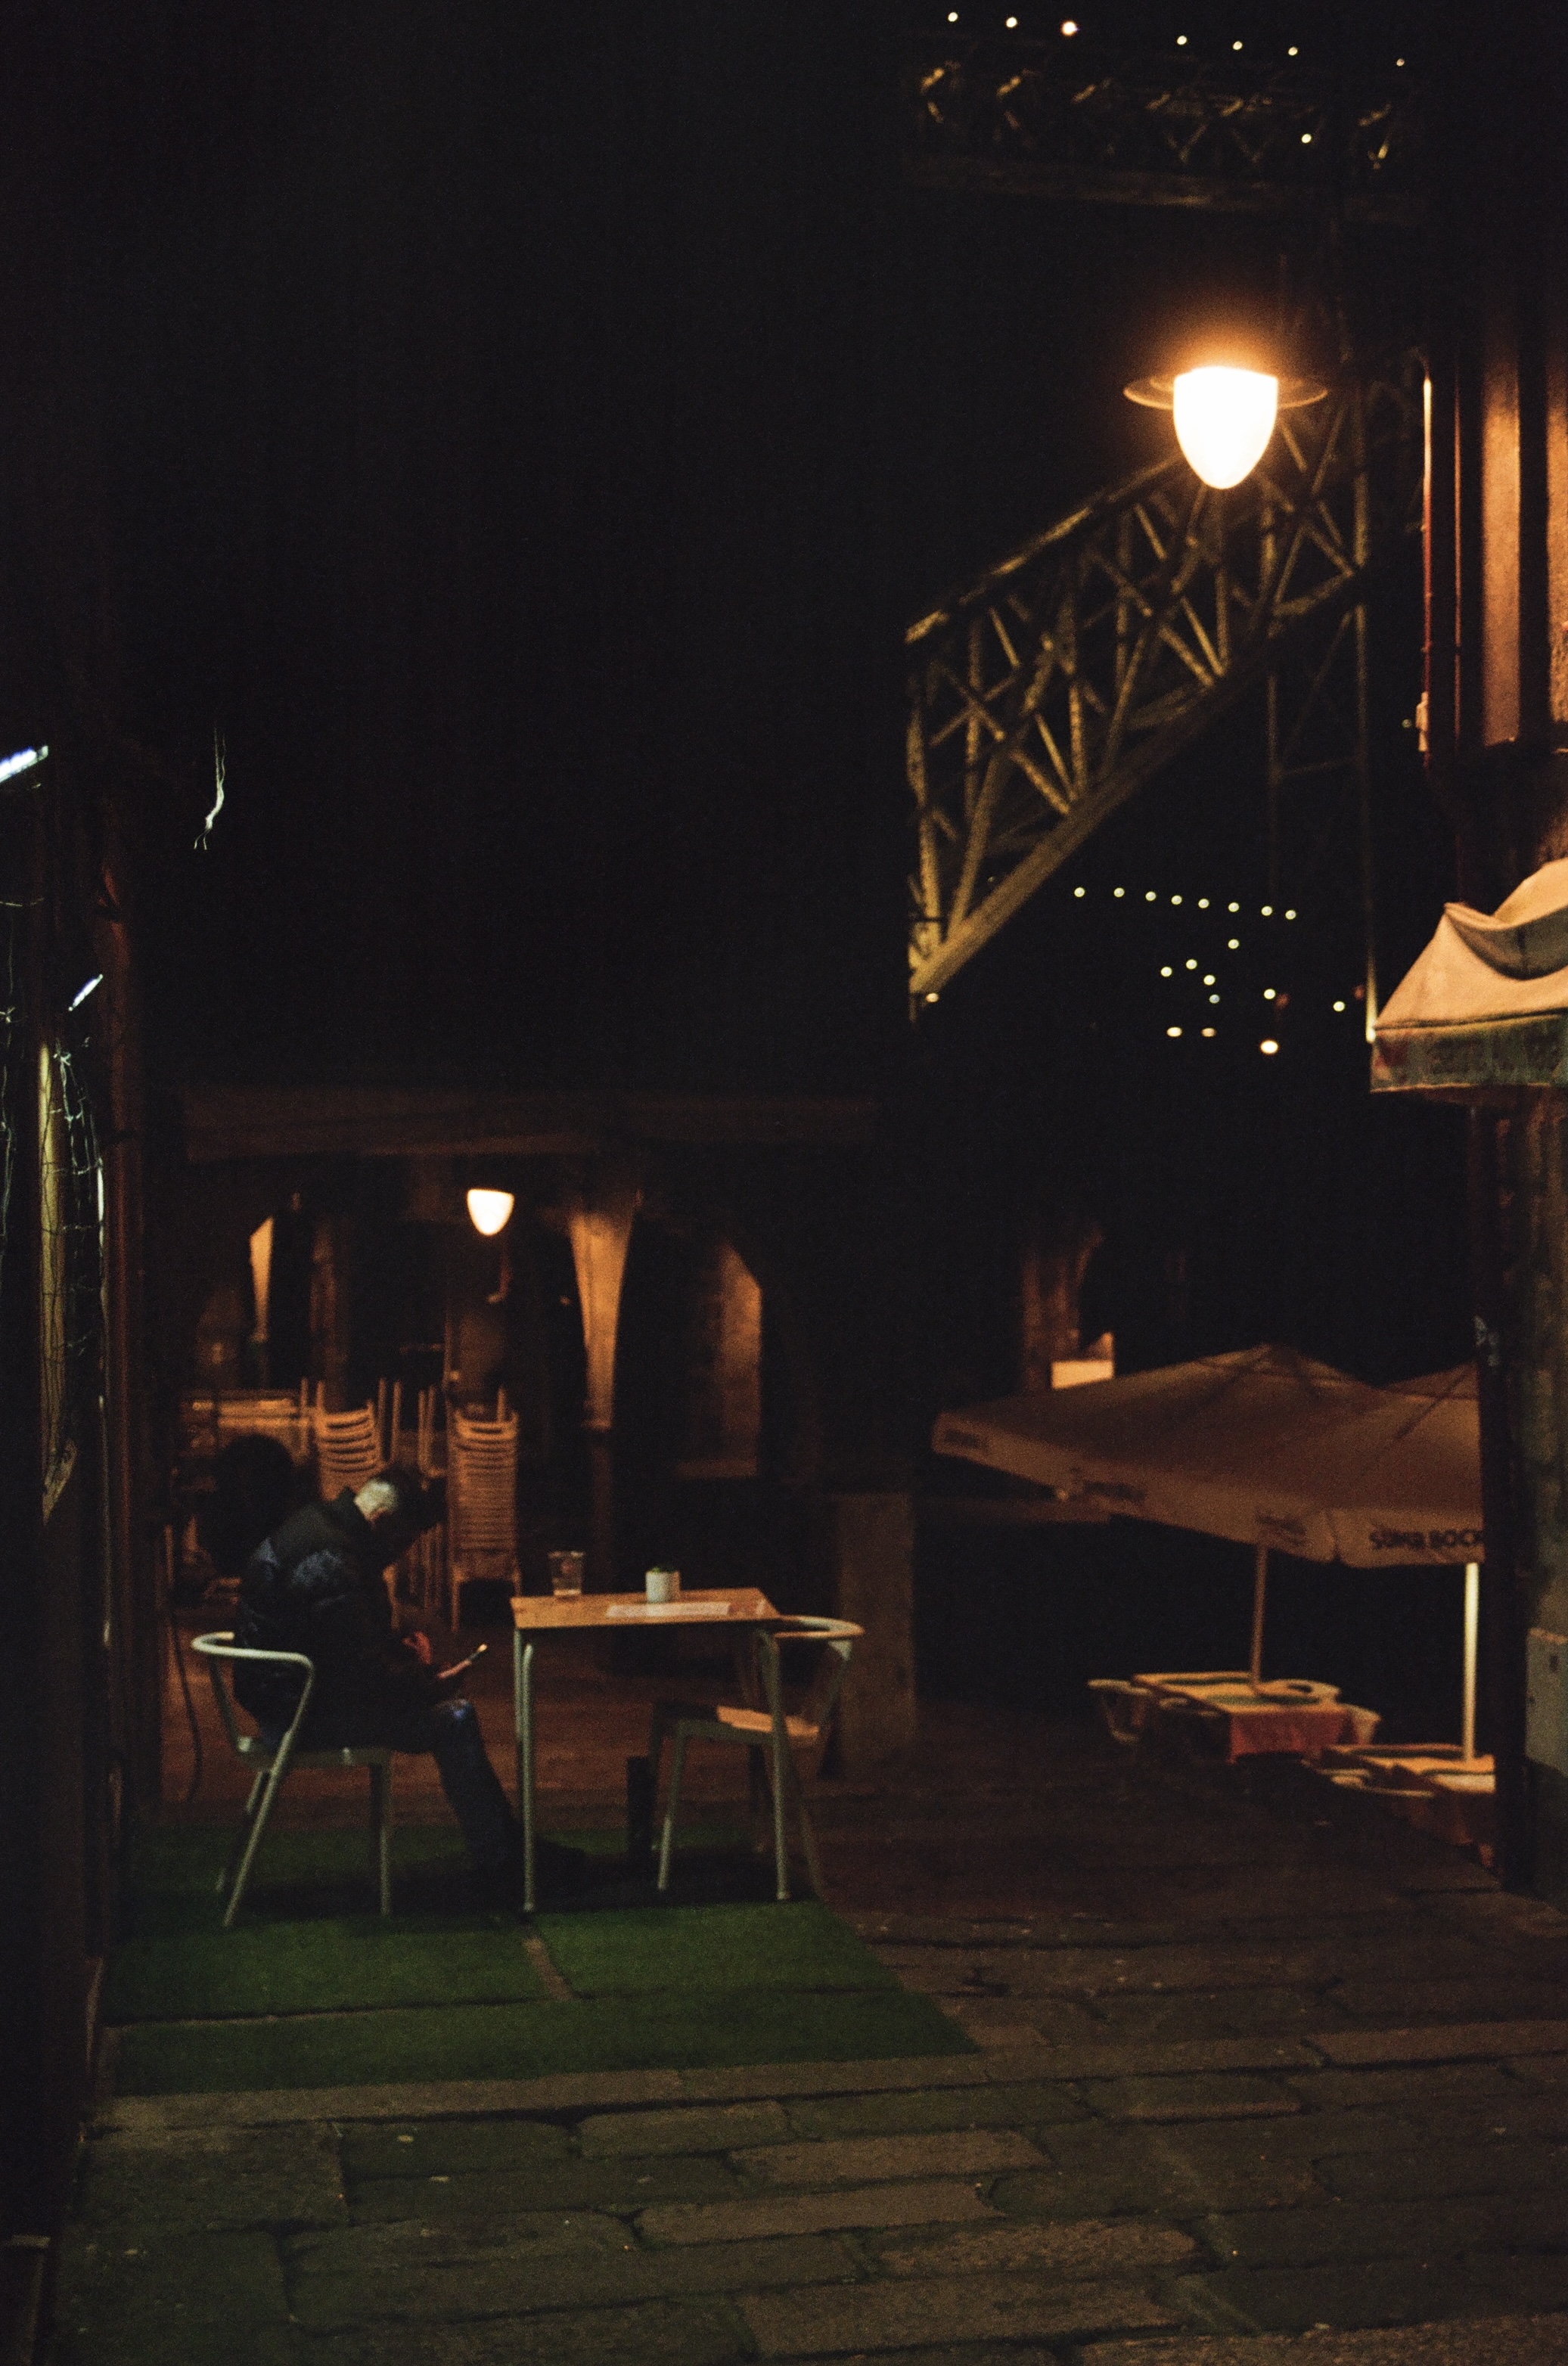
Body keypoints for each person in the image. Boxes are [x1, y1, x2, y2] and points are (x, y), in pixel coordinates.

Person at [233, 1463, 581, 1906]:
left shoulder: (319, 1527)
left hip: (290, 1699)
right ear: (380, 1520)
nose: (397, 1555)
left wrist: (405, 1660)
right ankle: (503, 1861)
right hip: (299, 1716)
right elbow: (360, 1672)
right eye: (399, 1542)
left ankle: (504, 1850)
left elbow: (344, 1645)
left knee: (445, 1710)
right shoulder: (335, 1561)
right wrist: (430, 1680)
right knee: (455, 1718)